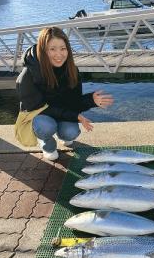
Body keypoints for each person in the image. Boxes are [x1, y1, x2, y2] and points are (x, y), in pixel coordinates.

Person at [15, 27, 113, 160]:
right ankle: (47, 144)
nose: (59, 54)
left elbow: (74, 102)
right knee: (45, 127)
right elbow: (38, 109)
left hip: (61, 111)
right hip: (41, 114)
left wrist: (91, 100)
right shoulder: (28, 74)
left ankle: (63, 135)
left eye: (63, 48)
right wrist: (75, 116)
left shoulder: (71, 69)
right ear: (43, 51)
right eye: (52, 49)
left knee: (70, 132)